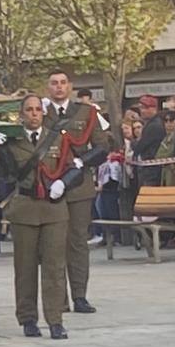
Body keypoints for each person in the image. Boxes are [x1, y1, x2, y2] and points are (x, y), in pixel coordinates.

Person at [0, 95, 74, 339]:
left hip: (53, 208)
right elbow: (8, 174)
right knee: (25, 267)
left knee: (54, 267)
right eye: (28, 110)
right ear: (21, 114)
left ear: (43, 113)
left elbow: (74, 168)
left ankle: (55, 320)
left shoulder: (56, 138)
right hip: (25, 208)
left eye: (37, 110)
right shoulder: (13, 140)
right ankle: (28, 318)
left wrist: (63, 183)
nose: (33, 114)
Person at [43, 69, 109, 313]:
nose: (59, 87)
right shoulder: (38, 112)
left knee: (78, 242)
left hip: (79, 185)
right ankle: (58, 299)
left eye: (63, 83)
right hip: (50, 185)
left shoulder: (86, 112)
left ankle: (80, 295)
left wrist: (83, 162)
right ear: (47, 87)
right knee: (54, 244)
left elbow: (102, 146)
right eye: (54, 83)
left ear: (70, 86)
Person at [131, 95, 166, 188]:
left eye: (144, 108)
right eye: (141, 108)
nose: (142, 111)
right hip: (149, 167)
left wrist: (133, 142)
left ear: (153, 108)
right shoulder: (152, 123)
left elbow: (141, 145)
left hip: (152, 168)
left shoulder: (154, 125)